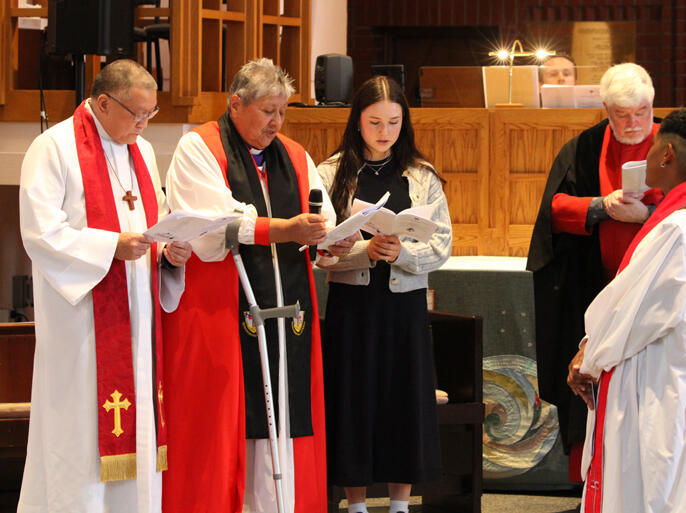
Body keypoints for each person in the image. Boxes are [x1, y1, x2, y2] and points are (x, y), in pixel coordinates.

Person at [17, 59, 192, 513]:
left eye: (151, 113)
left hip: (139, 325)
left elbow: (152, 227)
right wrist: (110, 246)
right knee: (79, 441)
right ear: (102, 102)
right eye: (137, 113)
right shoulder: (52, 147)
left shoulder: (144, 153)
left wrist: (167, 257)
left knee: (139, 442)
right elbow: (40, 233)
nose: (144, 123)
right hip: (83, 331)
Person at [161, 58, 333, 513]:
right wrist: (285, 229)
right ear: (235, 104)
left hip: (286, 315)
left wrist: (332, 235)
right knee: (226, 423)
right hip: (223, 312)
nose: (276, 122)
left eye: (282, 111)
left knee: (288, 416)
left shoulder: (295, 155)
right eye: (266, 111)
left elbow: (324, 217)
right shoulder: (198, 148)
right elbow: (213, 224)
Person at [567, 108, 686, 512]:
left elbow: (632, 316)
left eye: (655, 145)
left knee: (650, 483)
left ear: (668, 156)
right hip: (679, 372)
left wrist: (588, 357)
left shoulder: (678, 231)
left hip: (654, 382)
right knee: (685, 476)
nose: (647, 154)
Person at [316, 75, 452, 513]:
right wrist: (364, 250)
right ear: (357, 120)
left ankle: (399, 505)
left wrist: (399, 253)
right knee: (353, 396)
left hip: (404, 306)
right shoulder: (331, 172)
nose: (384, 132)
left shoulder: (422, 175)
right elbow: (320, 252)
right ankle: (355, 504)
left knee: (404, 399)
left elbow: (442, 245)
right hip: (353, 307)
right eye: (374, 121)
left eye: (393, 122)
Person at [526, 62, 663, 481]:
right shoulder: (584, 147)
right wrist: (603, 206)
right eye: (623, 115)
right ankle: (591, 485)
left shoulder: (674, 144)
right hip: (594, 289)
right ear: (605, 109)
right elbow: (553, 208)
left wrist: (650, 212)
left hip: (656, 290)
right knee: (588, 388)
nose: (634, 123)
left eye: (641, 112)